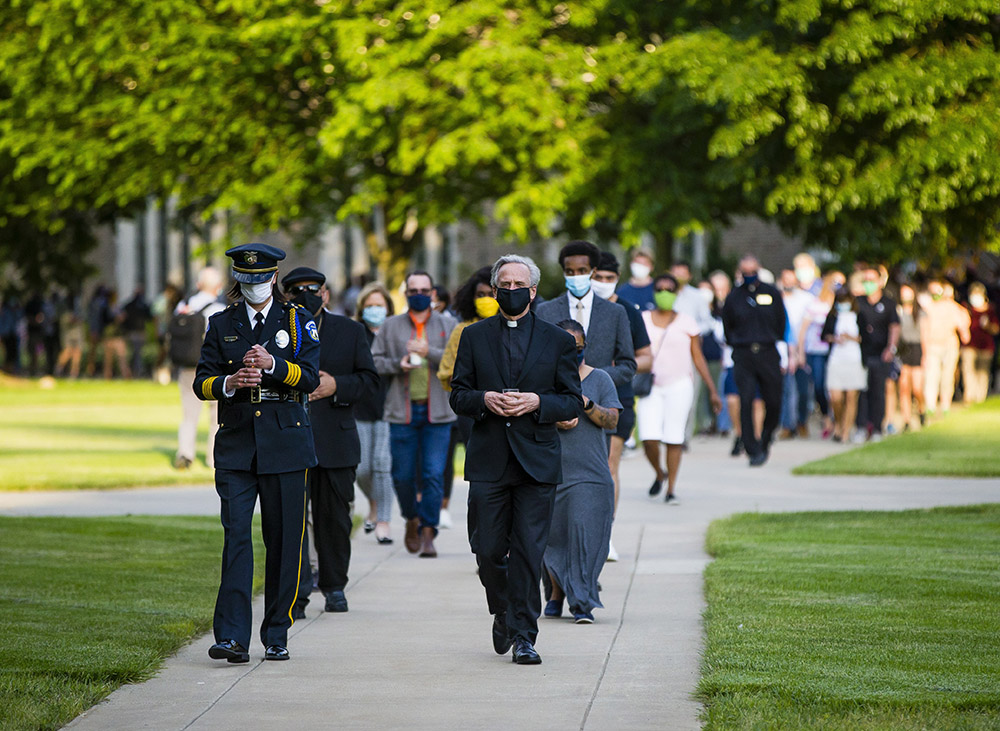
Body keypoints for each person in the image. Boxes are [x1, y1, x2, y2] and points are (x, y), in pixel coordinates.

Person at [449, 254, 583, 665]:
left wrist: (537, 402)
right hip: (489, 459)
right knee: (488, 549)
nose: (510, 291)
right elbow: (458, 394)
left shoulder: (557, 340)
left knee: (527, 550)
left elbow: (571, 401)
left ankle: (525, 635)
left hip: (536, 461)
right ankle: (503, 611)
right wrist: (485, 400)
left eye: (517, 284)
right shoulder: (473, 337)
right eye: (502, 285)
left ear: (533, 290)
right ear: (494, 288)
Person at [195, 243, 320, 664]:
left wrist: (271, 365)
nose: (254, 286)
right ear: (238, 280)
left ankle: (277, 631)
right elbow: (202, 382)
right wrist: (230, 382)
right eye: (246, 280)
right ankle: (231, 636)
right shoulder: (220, 323)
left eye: (261, 279)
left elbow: (311, 377)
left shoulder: (298, 321)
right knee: (236, 539)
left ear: (273, 278)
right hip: (237, 443)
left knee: (284, 541)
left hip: (286, 441)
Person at [282, 267, 378, 618]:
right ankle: (297, 592)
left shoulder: (350, 331)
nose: (308, 295)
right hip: (290, 438)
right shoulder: (277, 328)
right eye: (298, 291)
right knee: (292, 519)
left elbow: (369, 381)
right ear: (287, 295)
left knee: (335, 519)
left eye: (315, 289)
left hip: (336, 442)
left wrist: (337, 385)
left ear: (326, 294)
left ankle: (334, 585)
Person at [371, 270, 457, 558]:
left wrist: (428, 351)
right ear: (406, 294)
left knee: (433, 474)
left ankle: (429, 532)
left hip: (438, 413)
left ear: (432, 293)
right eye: (413, 290)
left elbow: (458, 363)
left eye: (424, 290)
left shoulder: (449, 324)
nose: (419, 294)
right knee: (402, 476)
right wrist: (400, 362)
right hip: (402, 412)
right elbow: (374, 362)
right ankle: (412, 518)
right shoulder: (391, 326)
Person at [544, 319, 621, 623]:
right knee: (553, 537)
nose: (570, 354)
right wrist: (554, 418)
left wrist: (586, 404)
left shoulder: (600, 379)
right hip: (551, 472)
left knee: (584, 535)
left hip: (590, 475)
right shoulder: (541, 379)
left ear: (584, 348)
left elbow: (613, 420)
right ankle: (556, 593)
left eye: (576, 348)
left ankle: (582, 601)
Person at [590, 251, 652, 562]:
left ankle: (606, 533)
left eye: (608, 278)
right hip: (577, 397)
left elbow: (645, 357)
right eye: (597, 277)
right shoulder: (579, 310)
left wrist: (613, 370)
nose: (602, 283)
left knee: (609, 465)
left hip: (618, 396)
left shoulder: (627, 310)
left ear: (617, 279)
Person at [638, 273, 722, 501]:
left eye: (669, 289)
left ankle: (671, 488)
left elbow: (698, 358)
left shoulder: (687, 321)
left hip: (679, 384)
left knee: (674, 437)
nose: (664, 293)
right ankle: (659, 472)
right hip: (651, 385)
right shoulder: (643, 318)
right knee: (648, 437)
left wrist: (712, 390)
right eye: (660, 288)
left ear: (676, 294)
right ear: (654, 292)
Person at [437, 267, 497, 531]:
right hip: (473, 413)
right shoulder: (463, 331)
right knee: (482, 480)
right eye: (480, 294)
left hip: (511, 413)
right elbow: (446, 373)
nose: (485, 299)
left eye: (491, 293)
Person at [536, 240, 636, 390]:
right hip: (557, 399)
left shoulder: (615, 312)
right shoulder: (545, 311)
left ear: (593, 272)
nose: (576, 276)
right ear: (564, 272)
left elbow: (628, 365)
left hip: (600, 400)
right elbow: (537, 360)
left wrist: (594, 377)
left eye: (582, 271)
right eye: (570, 272)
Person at [721, 254, 786, 466]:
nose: (749, 276)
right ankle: (751, 448)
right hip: (743, 353)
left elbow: (780, 323)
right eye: (745, 273)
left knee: (774, 401)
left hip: (767, 352)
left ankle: (766, 437)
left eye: (753, 272)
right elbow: (727, 327)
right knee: (746, 400)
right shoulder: (733, 297)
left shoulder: (771, 293)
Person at [354, 282, 397, 544]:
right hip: (359, 407)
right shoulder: (355, 332)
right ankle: (373, 501)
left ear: (388, 308)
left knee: (382, 465)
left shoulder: (394, 332)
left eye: (379, 306)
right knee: (361, 469)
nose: (374, 310)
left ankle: (383, 520)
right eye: (369, 306)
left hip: (388, 408)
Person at [174, 267, 226, 470]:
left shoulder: (184, 306)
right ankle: (213, 458)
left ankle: (185, 453)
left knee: (189, 414)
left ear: (198, 285)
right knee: (216, 415)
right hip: (212, 368)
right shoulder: (218, 310)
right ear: (219, 287)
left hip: (187, 366)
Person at [856, 267, 901, 440]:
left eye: (871, 280)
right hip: (862, 354)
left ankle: (876, 428)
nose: (868, 284)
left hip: (881, 354)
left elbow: (894, 327)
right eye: (865, 280)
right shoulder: (858, 302)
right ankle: (861, 426)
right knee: (862, 392)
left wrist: (891, 348)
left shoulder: (888, 303)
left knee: (878, 391)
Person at [797, 271, 843, 439]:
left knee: (835, 389)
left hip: (836, 352)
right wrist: (800, 353)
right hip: (816, 352)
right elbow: (803, 331)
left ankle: (838, 421)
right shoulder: (816, 304)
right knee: (818, 386)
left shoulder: (841, 308)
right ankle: (826, 418)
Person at [919, 277, 970, 417]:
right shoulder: (928, 307)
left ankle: (945, 404)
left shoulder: (952, 306)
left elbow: (963, 323)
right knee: (932, 376)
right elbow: (924, 330)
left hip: (949, 345)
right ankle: (931, 405)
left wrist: (964, 332)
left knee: (947, 376)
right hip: (933, 346)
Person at [822, 288, 867, 442]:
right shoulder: (833, 316)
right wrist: (835, 339)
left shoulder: (858, 316)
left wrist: (851, 337)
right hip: (836, 359)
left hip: (854, 359)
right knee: (836, 397)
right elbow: (824, 335)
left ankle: (846, 431)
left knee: (851, 396)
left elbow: (866, 337)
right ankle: (839, 422)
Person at [778, 268, 816, 438]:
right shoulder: (776, 299)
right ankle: (787, 425)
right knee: (784, 390)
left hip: (803, 350)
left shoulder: (807, 299)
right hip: (782, 351)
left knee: (802, 390)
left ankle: (801, 421)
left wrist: (800, 352)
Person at [961, 282, 999, 404]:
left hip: (986, 347)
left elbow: (996, 329)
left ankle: (980, 398)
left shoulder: (990, 311)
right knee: (968, 371)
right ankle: (970, 396)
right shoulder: (967, 309)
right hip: (969, 346)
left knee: (983, 373)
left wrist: (987, 325)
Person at [896, 283, 926, 429]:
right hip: (903, 349)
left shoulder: (920, 312)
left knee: (916, 387)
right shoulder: (898, 311)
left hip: (917, 348)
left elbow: (925, 335)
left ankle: (921, 409)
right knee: (903, 386)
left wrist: (925, 355)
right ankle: (906, 419)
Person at [122, 285, 152, 378]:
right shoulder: (142, 305)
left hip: (135, 332)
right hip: (137, 332)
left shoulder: (129, 305)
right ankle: (136, 371)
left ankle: (135, 371)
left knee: (136, 353)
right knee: (137, 353)